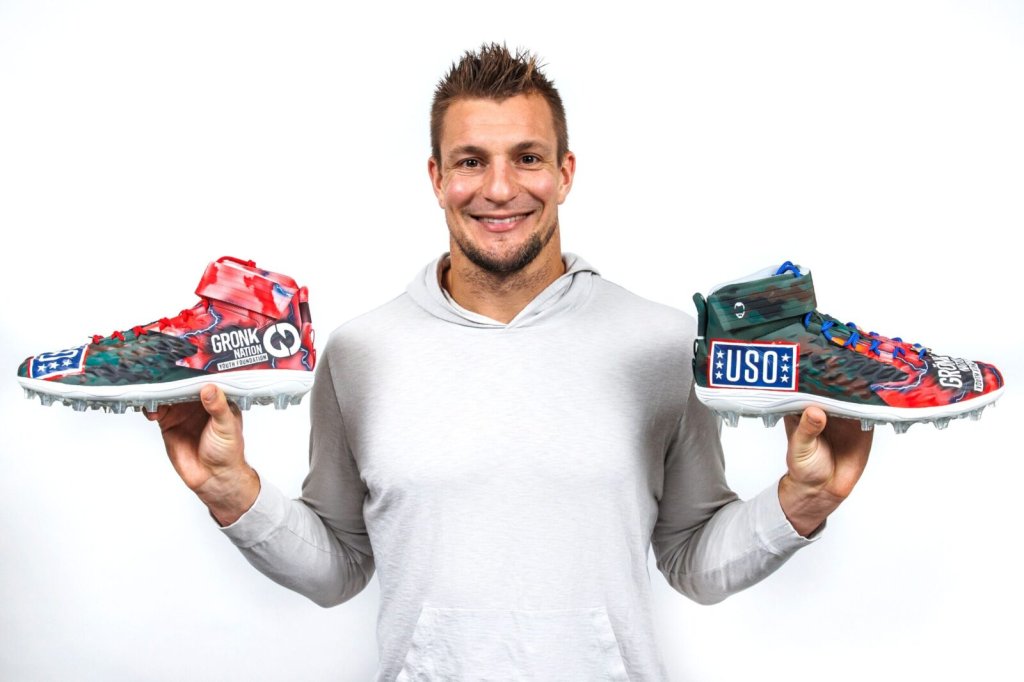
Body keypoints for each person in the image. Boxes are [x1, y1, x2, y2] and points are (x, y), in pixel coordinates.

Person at [147, 43, 872, 680]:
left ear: (565, 171)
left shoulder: (660, 344)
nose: (499, 189)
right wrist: (230, 491)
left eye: (527, 157)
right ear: (437, 177)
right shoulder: (363, 351)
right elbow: (338, 567)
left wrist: (803, 502)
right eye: (472, 161)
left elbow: (692, 560)